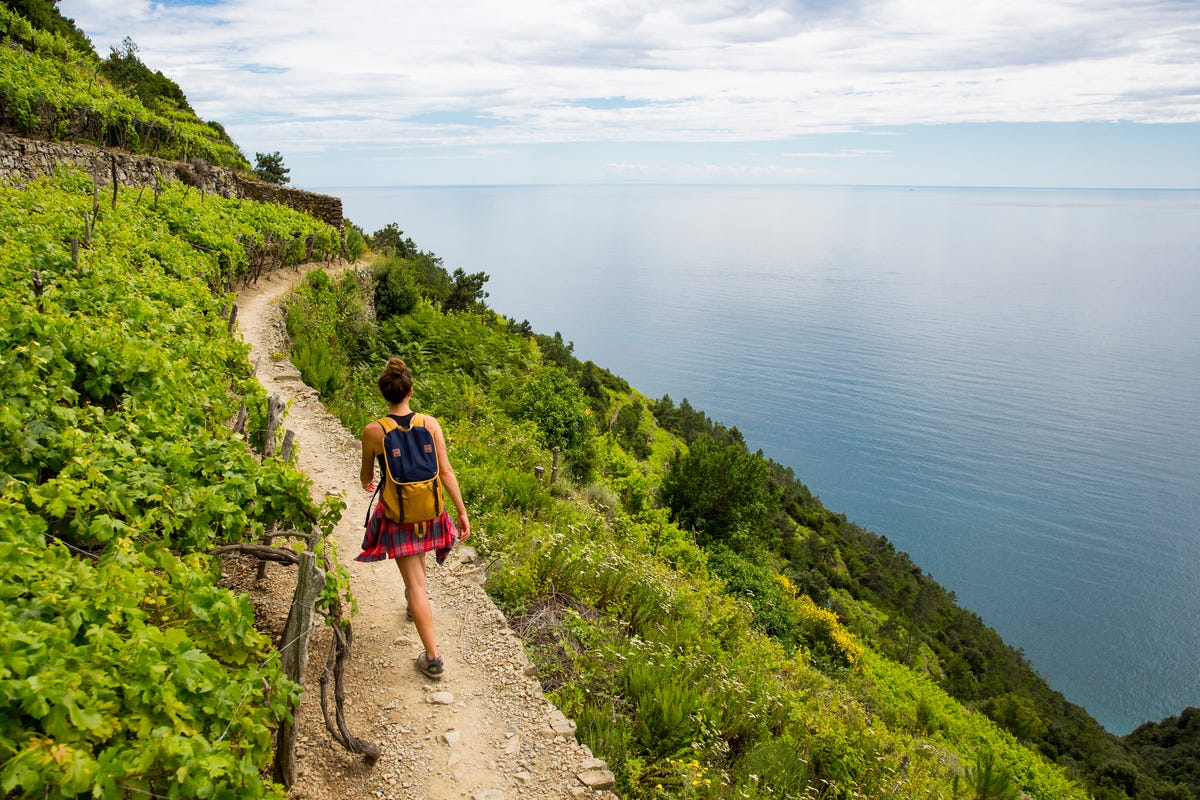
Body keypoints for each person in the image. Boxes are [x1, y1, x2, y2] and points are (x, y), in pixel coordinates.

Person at [356, 357, 470, 680]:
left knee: (416, 583)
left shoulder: (373, 432)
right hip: (431, 513)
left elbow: (366, 476)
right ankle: (412, 604)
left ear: (385, 394)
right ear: (410, 390)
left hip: (398, 517)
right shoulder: (430, 424)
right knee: (417, 578)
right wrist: (460, 512)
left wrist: (369, 480)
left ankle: (433, 658)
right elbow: (445, 472)